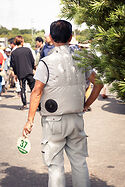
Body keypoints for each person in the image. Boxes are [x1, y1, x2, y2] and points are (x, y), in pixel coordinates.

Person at [22, 20, 103, 187]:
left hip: (53, 121)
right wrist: (86, 104)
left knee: (55, 167)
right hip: (76, 118)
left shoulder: (46, 63)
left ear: (50, 38)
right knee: (80, 163)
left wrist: (29, 121)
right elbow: (99, 84)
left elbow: (36, 92)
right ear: (71, 37)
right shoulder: (82, 60)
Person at [10, 35, 35, 110]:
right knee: (33, 89)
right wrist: (33, 68)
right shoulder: (27, 50)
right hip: (29, 72)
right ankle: (38, 104)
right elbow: (32, 60)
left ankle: (24, 104)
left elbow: (13, 65)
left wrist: (15, 74)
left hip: (20, 73)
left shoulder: (13, 53)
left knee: (22, 89)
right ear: (22, 41)